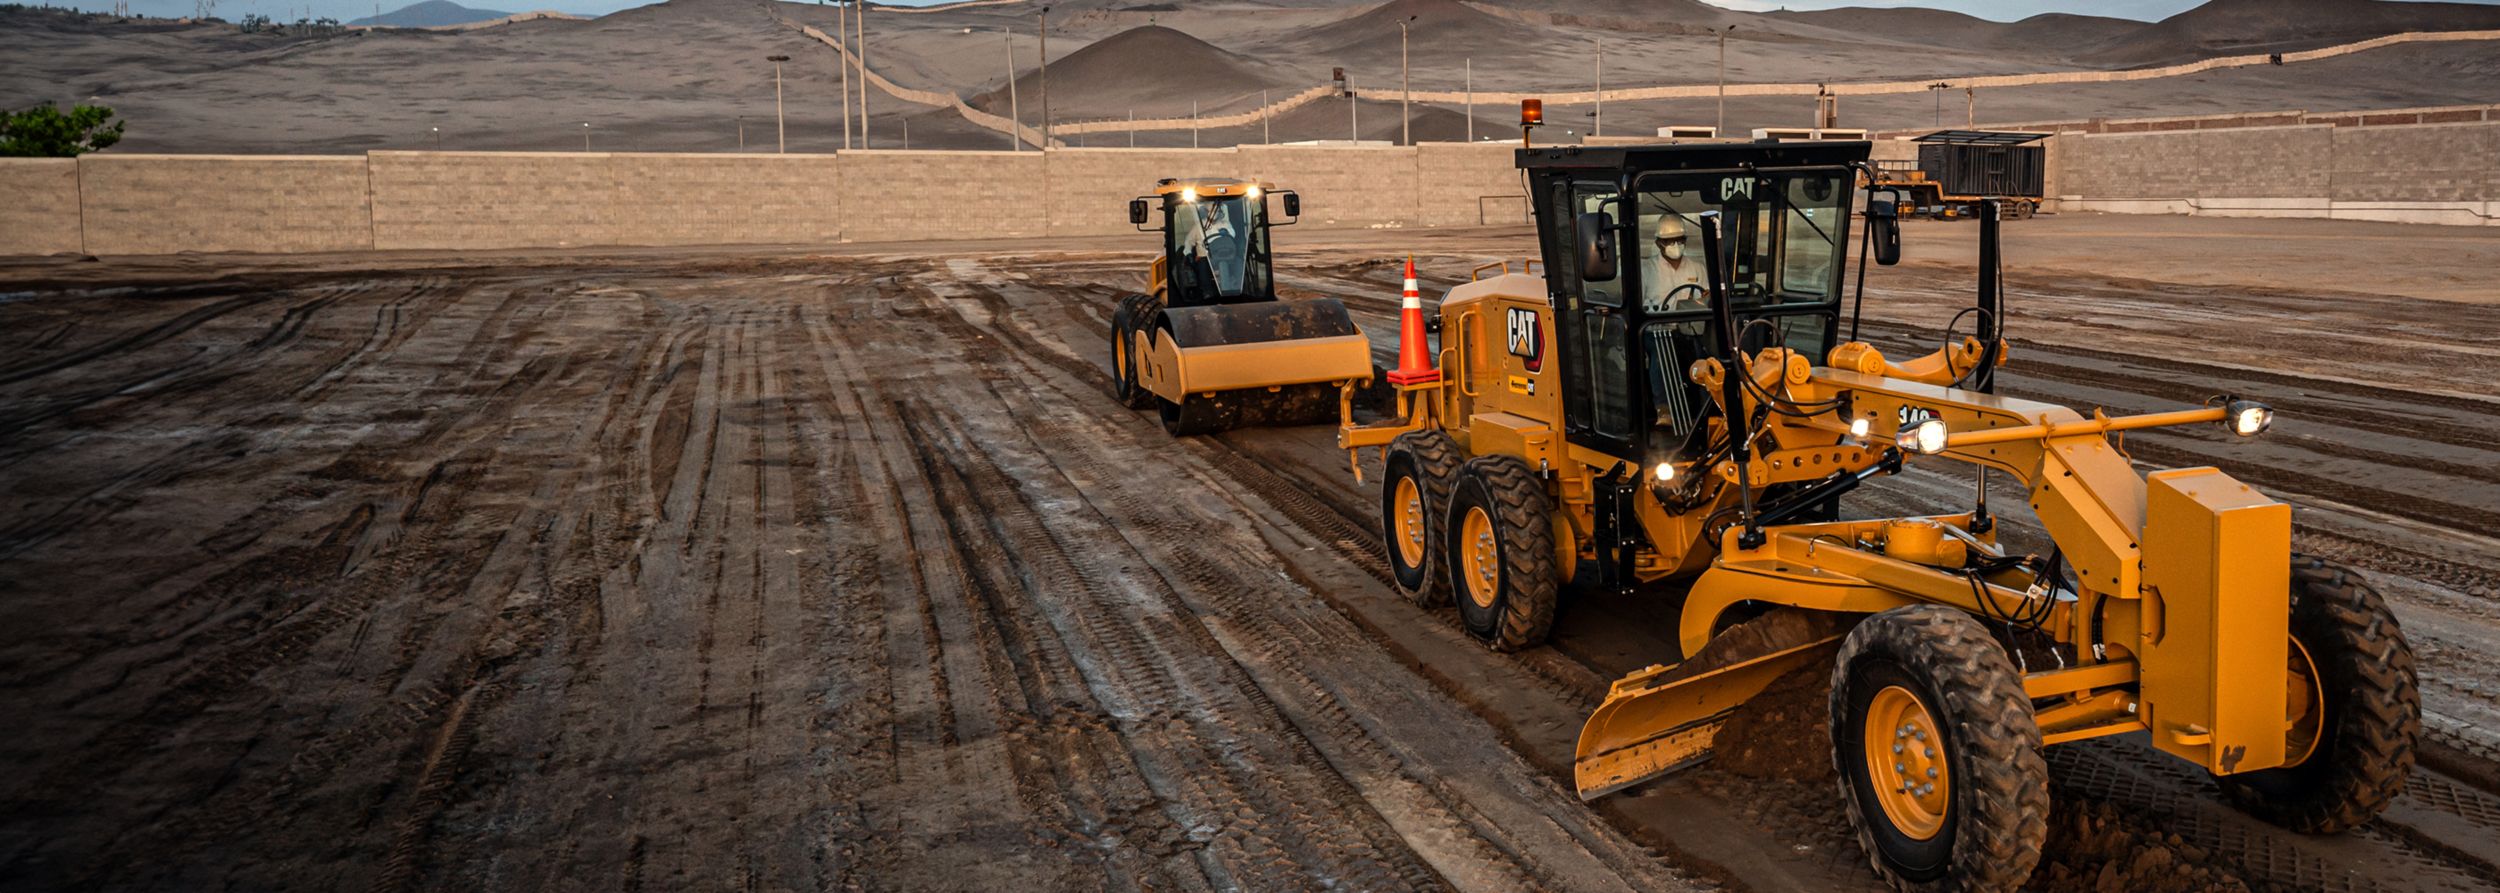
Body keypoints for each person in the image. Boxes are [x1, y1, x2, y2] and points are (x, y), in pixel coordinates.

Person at [1643, 214, 1706, 314]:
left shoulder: (1698, 269)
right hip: (1656, 327)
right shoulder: (1645, 271)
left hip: (1689, 327)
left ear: (1685, 240)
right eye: (1669, 241)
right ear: (1658, 243)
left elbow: (1707, 298)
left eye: (1679, 240)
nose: (1676, 245)